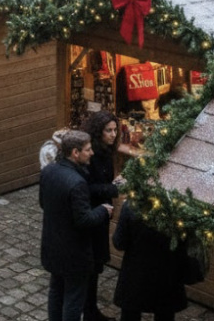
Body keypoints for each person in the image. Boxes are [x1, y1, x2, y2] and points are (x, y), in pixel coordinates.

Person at [40, 129, 113, 321]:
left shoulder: (48, 171)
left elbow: (43, 203)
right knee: (74, 298)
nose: (92, 153)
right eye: (88, 150)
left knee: (56, 290)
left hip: (52, 245)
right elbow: (84, 220)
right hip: (74, 253)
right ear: (75, 153)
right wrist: (103, 210)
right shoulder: (77, 182)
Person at [112, 200, 189, 321]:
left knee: (130, 314)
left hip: (135, 277)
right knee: (165, 314)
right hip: (166, 278)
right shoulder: (179, 210)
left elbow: (119, 243)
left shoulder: (130, 206)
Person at [81, 112, 125, 321]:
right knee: (92, 263)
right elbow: (88, 187)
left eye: (115, 130)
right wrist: (113, 189)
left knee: (96, 263)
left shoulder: (106, 152)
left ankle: (90, 308)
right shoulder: (92, 155)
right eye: (109, 130)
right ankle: (89, 310)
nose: (113, 134)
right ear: (98, 132)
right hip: (94, 214)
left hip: (102, 214)